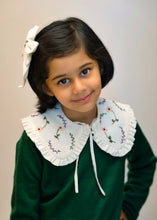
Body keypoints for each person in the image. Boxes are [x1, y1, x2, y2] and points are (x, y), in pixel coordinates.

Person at [10, 17, 156, 220]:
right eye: (63, 80)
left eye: (85, 71)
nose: (79, 88)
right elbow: (24, 211)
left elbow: (145, 163)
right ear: (46, 87)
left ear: (100, 65)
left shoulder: (121, 120)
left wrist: (128, 207)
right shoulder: (36, 137)